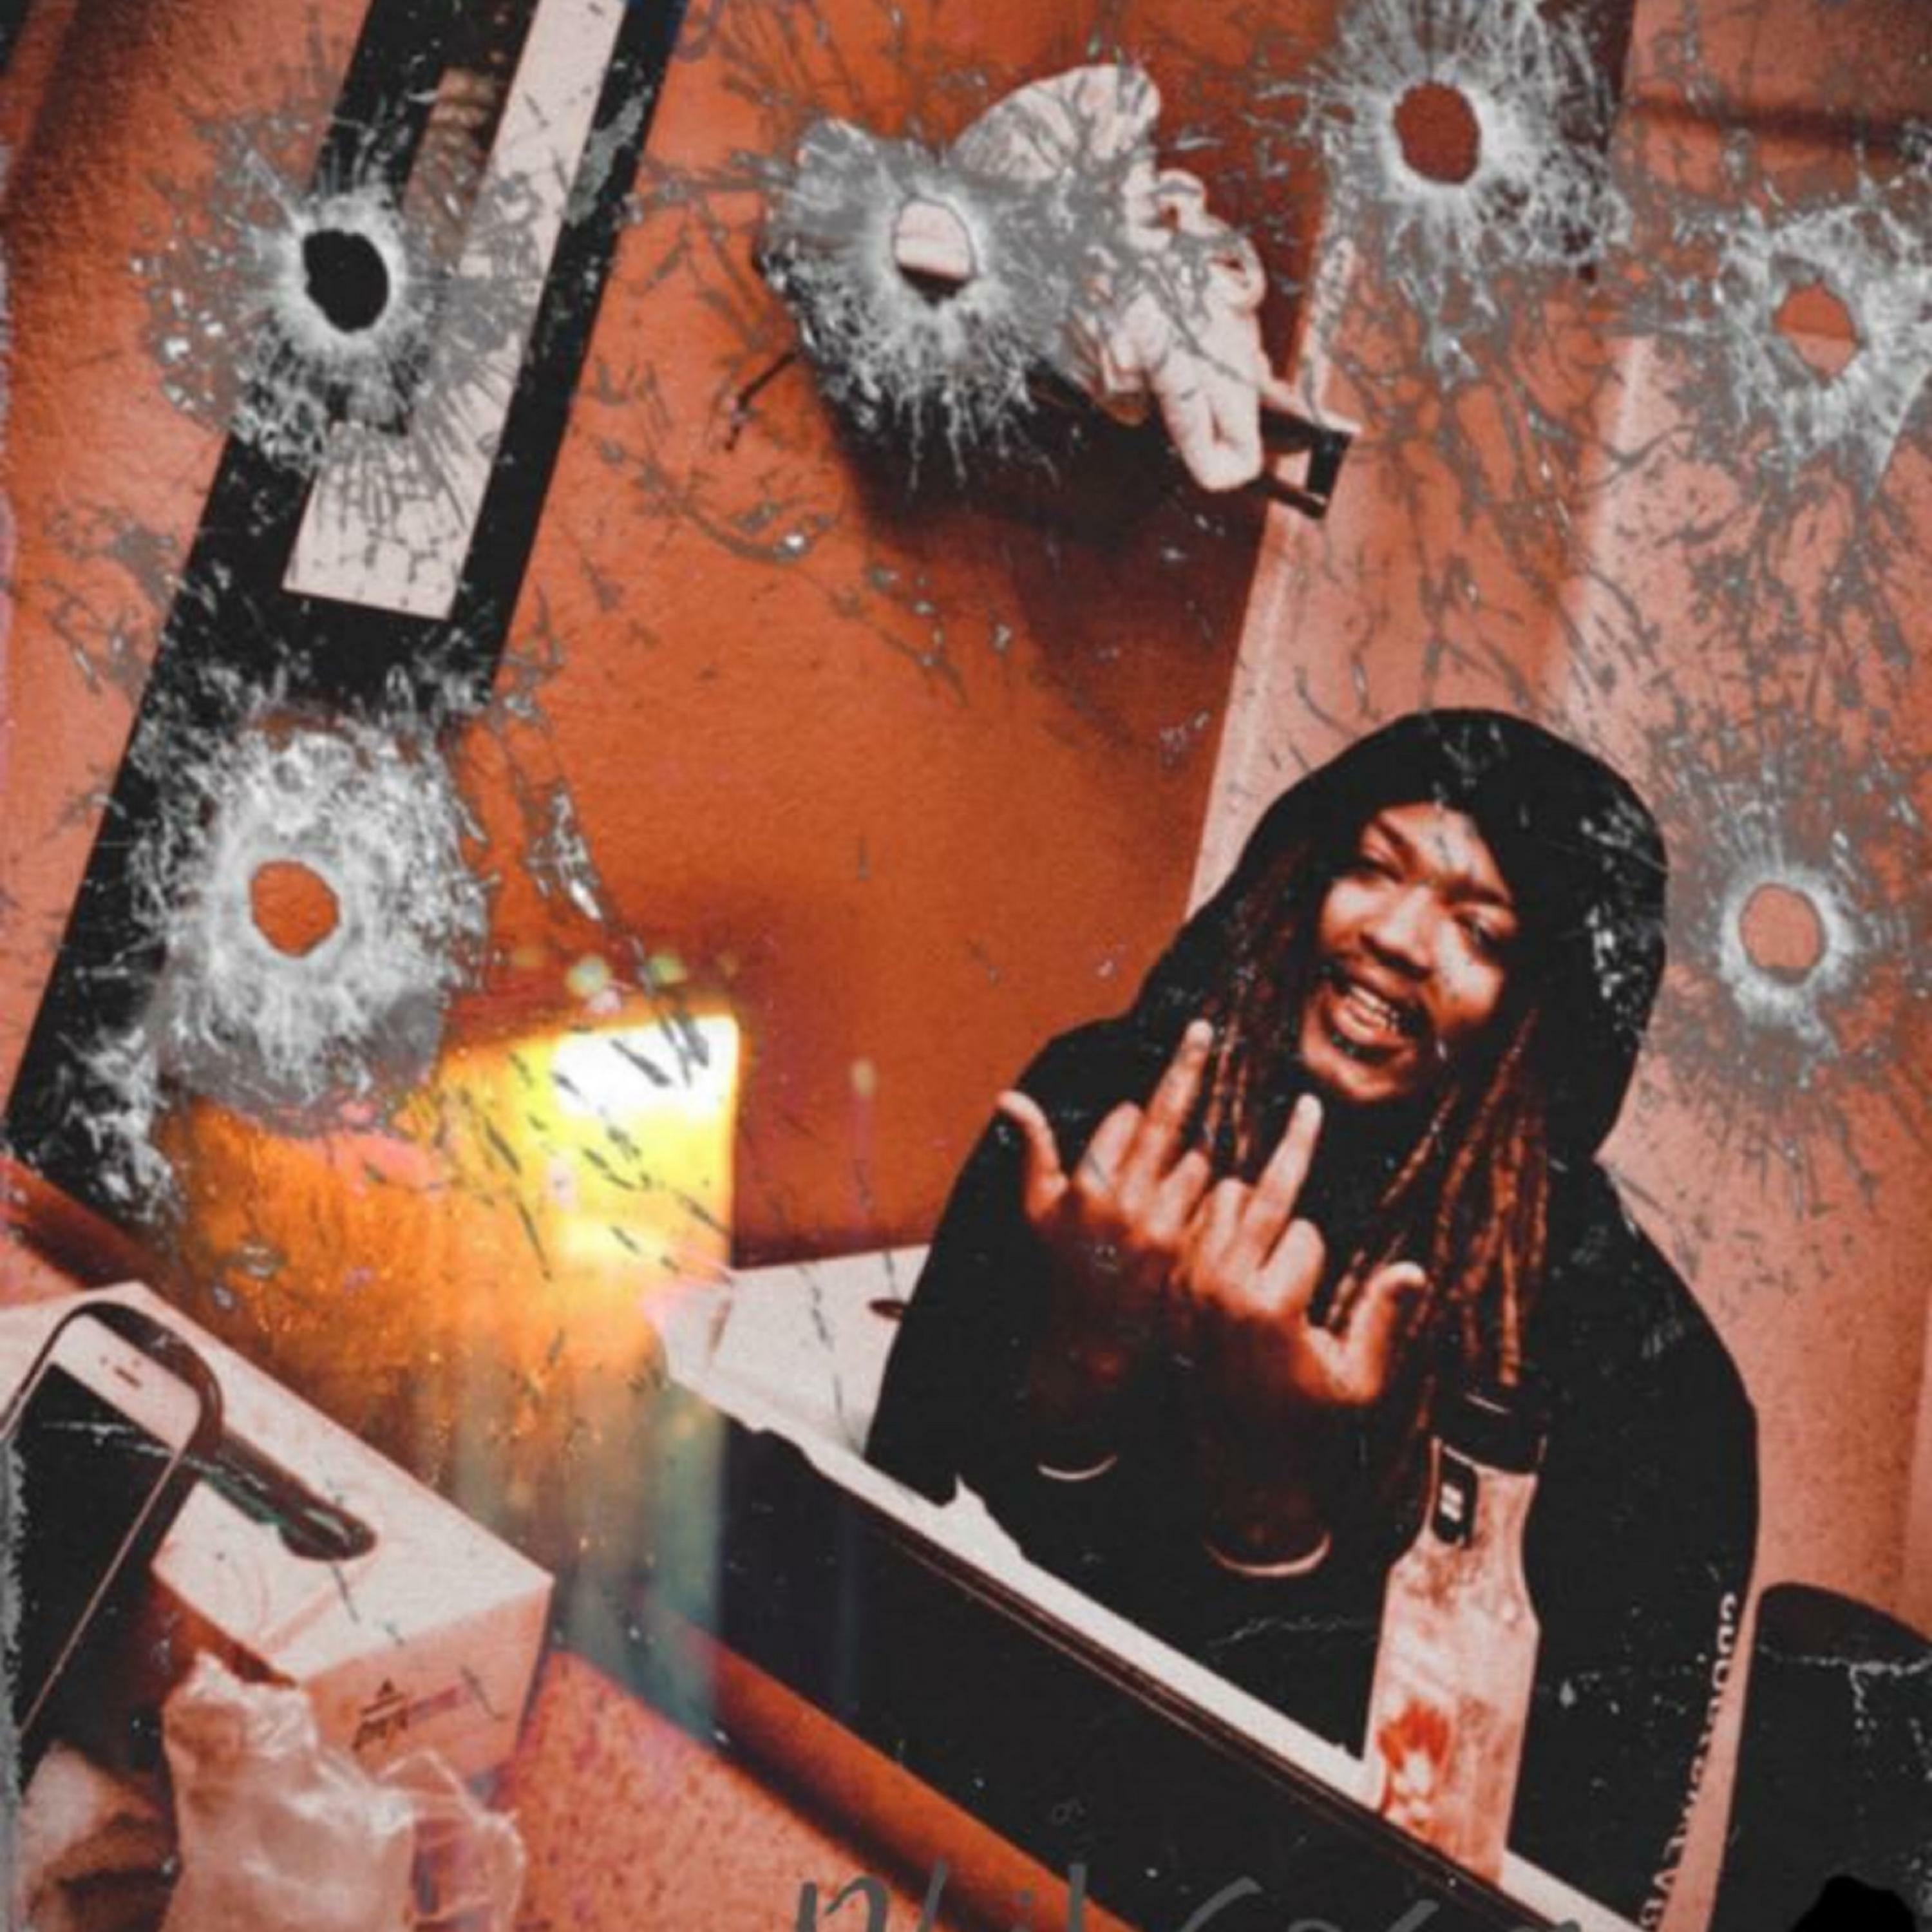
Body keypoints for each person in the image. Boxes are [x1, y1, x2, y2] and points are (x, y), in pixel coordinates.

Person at [866, 709, 1757, 1924]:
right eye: (1373, 867)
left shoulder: (1646, 1380)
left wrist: (1270, 1507)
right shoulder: (1101, 1124)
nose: (1395, 935)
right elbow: (886, 1568)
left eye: (1480, 929)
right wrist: (1085, 1359)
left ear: (1546, 1004)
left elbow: (1556, 1883)